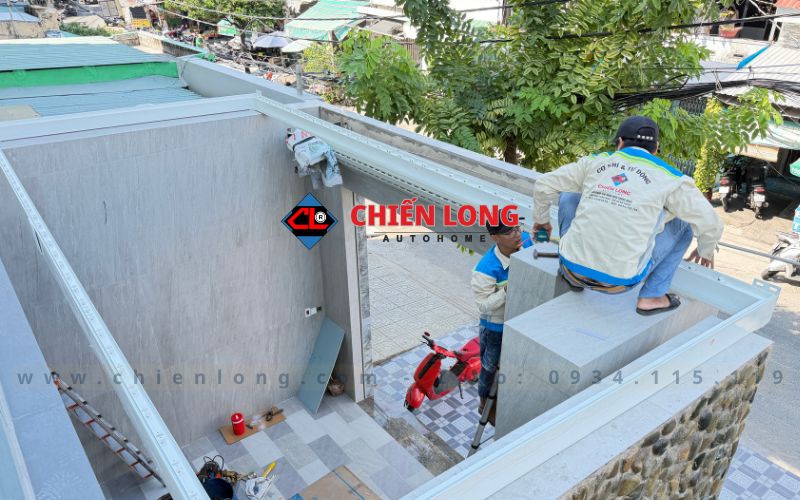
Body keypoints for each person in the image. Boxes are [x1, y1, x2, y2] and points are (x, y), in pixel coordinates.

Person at [531, 116, 723, 315]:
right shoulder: (672, 179)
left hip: (571, 269)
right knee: (683, 224)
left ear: (620, 142)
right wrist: (705, 251)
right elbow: (712, 224)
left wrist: (542, 222)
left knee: (569, 193)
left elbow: (543, 185)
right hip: (619, 283)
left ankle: (572, 276)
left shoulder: (595, 162)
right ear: (656, 148)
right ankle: (651, 296)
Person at [471, 221, 532, 423]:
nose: (517, 234)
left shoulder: (526, 242)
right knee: (490, 367)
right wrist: (507, 290)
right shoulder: (485, 269)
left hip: (520, 319)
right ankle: (484, 404)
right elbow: (483, 305)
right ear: (495, 237)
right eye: (509, 232)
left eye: (518, 228)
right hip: (495, 327)